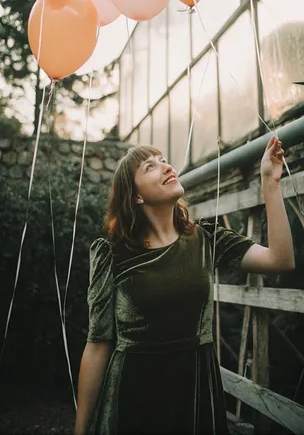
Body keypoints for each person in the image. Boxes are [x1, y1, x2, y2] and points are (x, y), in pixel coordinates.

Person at [75, 135, 294, 435]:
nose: (166, 167)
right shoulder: (113, 254)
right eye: (150, 166)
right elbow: (98, 345)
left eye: (165, 160)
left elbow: (280, 260)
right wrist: (80, 429)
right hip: (133, 395)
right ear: (136, 196)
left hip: (196, 392)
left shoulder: (207, 239)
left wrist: (270, 182)